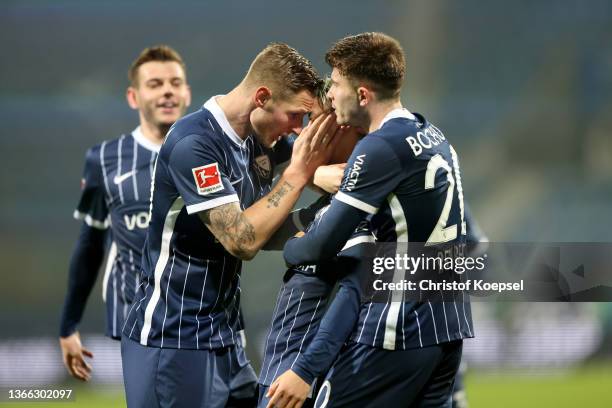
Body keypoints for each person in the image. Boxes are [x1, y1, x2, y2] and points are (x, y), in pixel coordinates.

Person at [121, 42, 341, 408]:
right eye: (294, 116)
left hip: (223, 337)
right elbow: (242, 239)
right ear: (262, 97)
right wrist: (301, 173)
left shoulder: (261, 138)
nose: (297, 129)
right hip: (173, 339)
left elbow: (311, 170)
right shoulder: (194, 144)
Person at [278, 32, 474, 407]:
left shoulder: (378, 148)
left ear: (363, 95)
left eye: (335, 84)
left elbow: (321, 246)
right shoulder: (433, 135)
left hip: (398, 326)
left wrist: (288, 246)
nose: (330, 93)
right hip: (448, 326)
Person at [58, 45, 191, 381]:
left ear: (187, 93)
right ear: (133, 97)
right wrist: (68, 326)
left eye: (175, 82)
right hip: (139, 323)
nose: (167, 91)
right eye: (155, 83)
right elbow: (90, 245)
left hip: (210, 321)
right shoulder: (104, 160)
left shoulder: (213, 151)